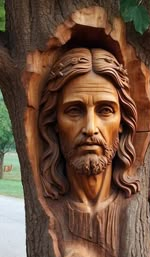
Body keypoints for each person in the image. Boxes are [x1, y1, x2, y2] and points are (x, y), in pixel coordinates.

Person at [38, 47, 140, 203]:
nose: (90, 129)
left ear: (122, 121)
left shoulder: (129, 211)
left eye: (105, 110)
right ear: (55, 121)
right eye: (74, 111)